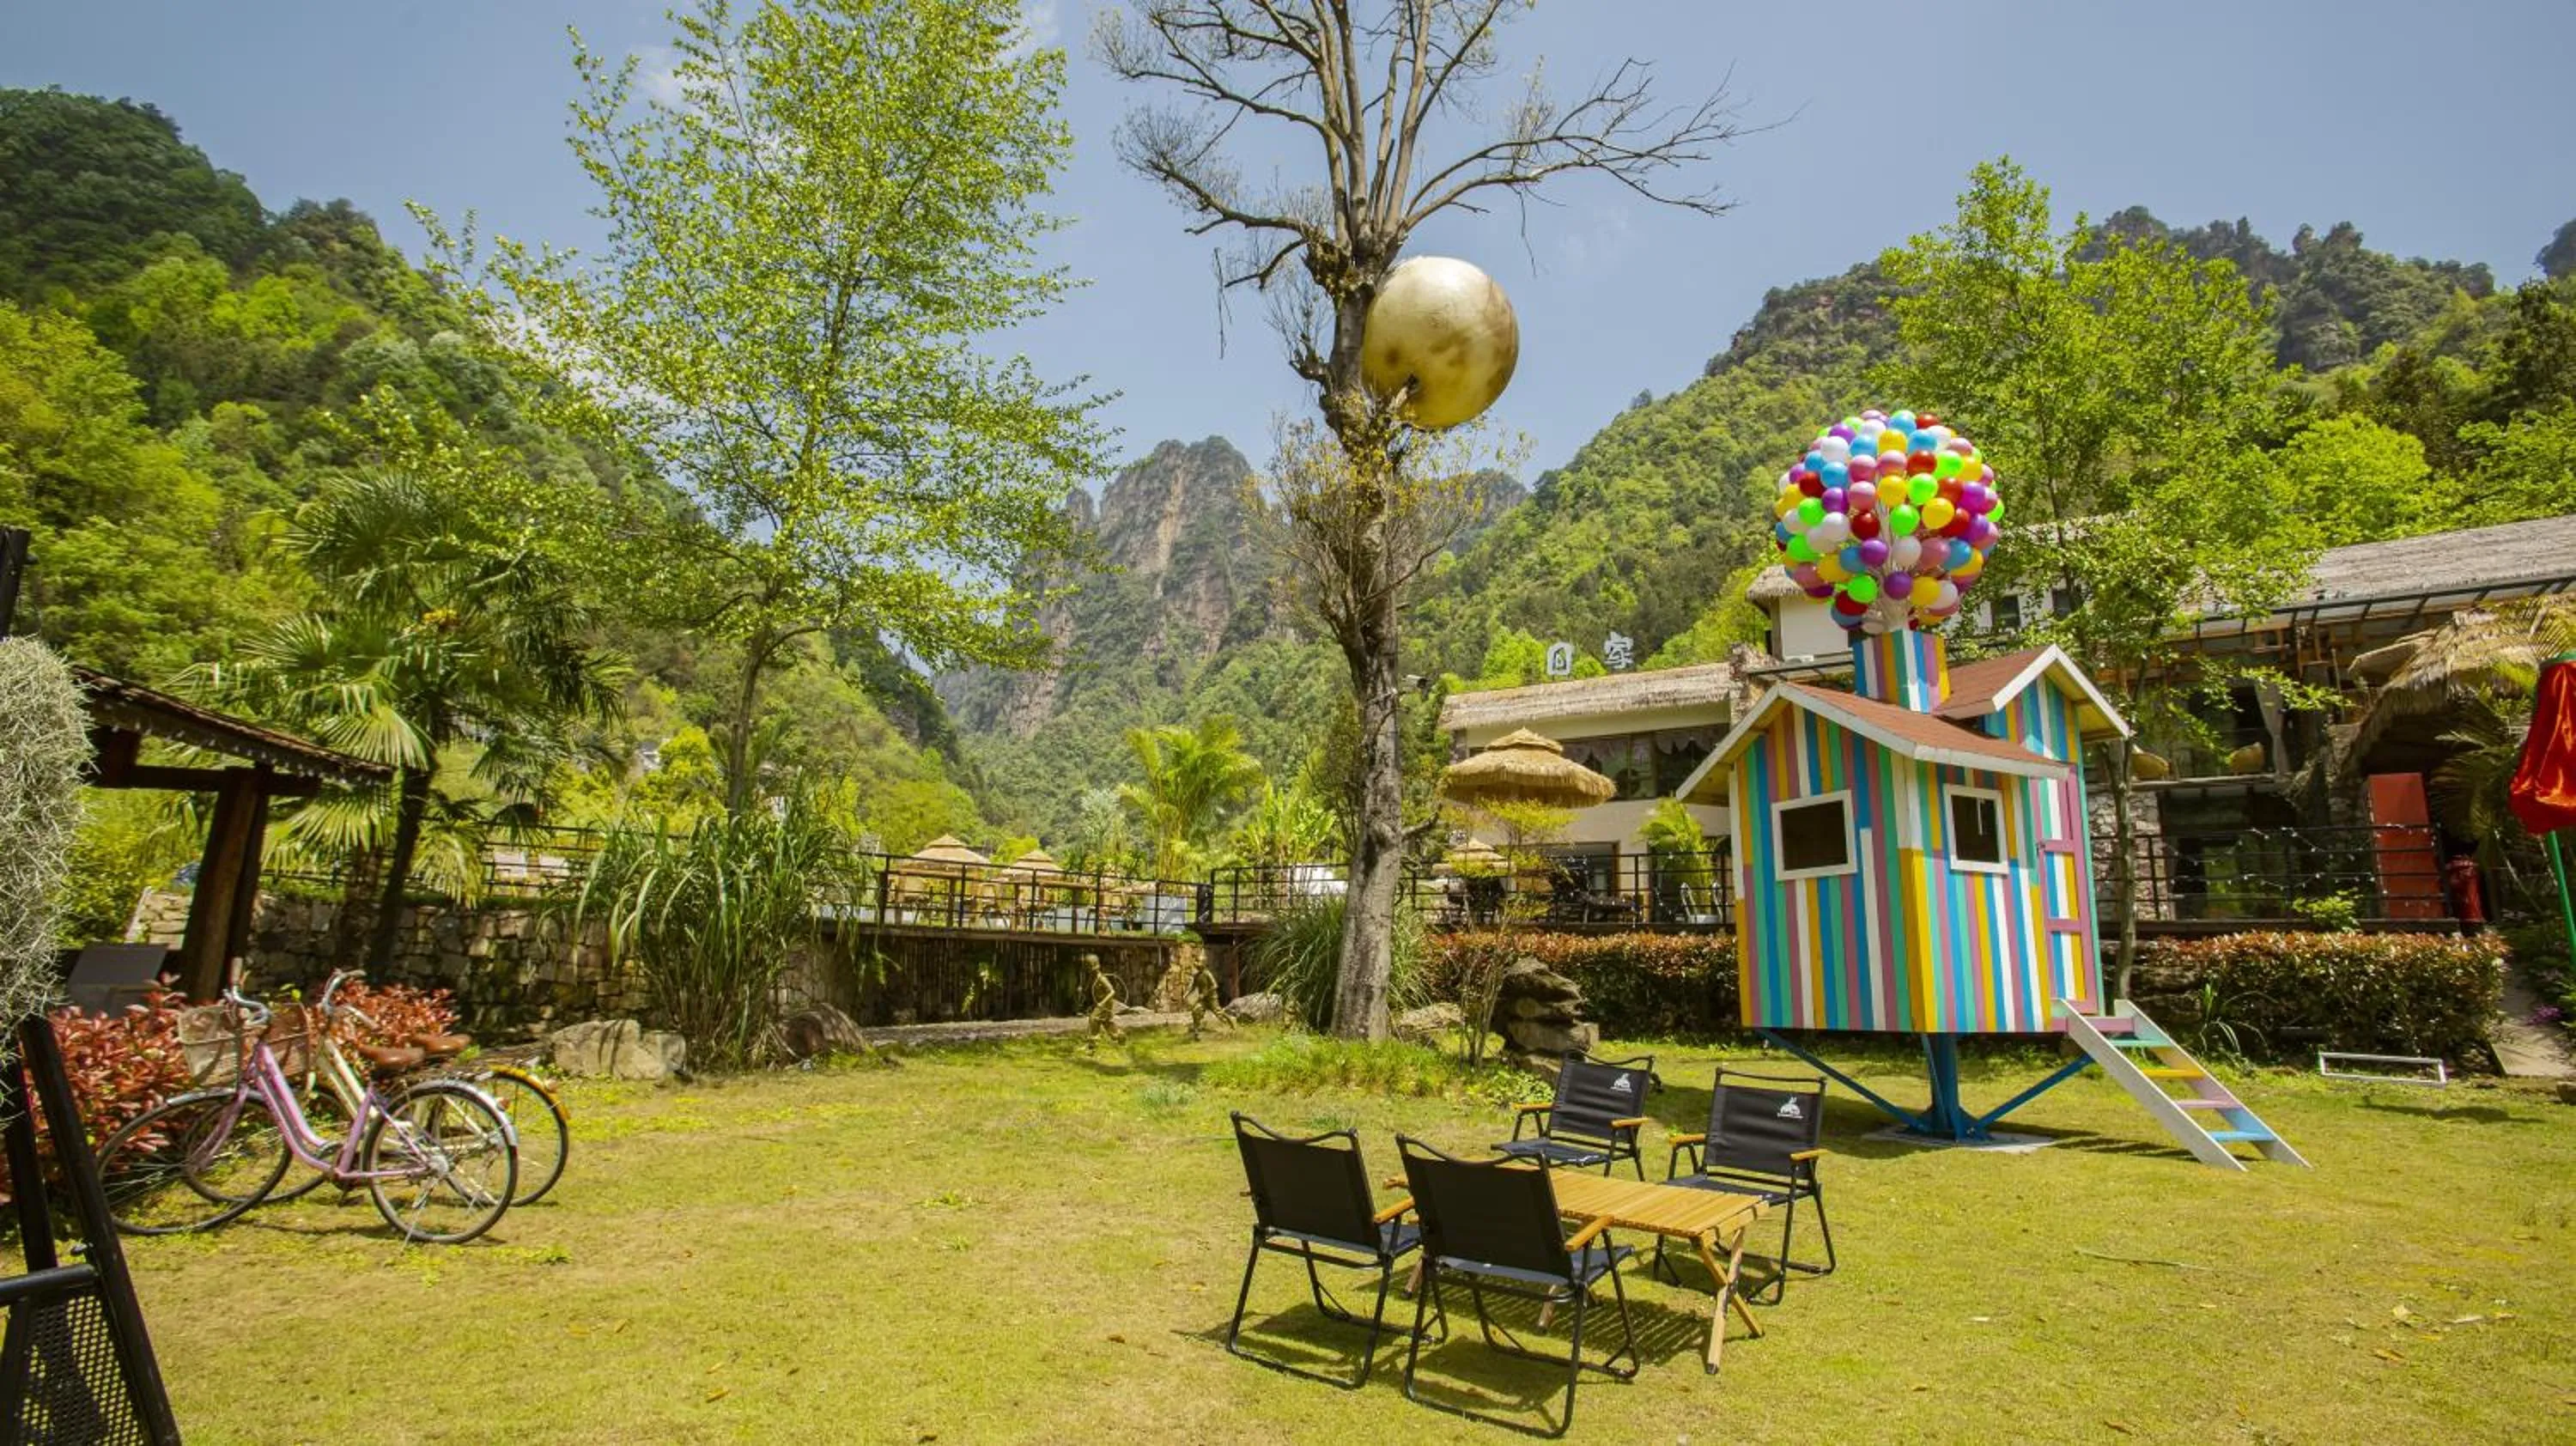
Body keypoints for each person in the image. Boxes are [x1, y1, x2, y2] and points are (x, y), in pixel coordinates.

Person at [1084, 953, 1122, 1054]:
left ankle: (1092, 1044)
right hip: (1099, 1003)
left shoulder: (1102, 978)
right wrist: (1082, 990)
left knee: (1093, 1019)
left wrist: (1102, 1003)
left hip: (1105, 1004)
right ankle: (1119, 1036)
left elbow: (1112, 991)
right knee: (1105, 1022)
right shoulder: (1092, 977)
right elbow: (1089, 988)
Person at [1185, 959, 1231, 1040]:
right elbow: (1193, 987)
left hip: (1211, 998)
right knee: (1196, 1011)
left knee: (1218, 1013)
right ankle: (1196, 1032)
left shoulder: (1207, 974)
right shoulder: (1196, 976)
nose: (1196, 964)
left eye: (1198, 962)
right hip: (1203, 1000)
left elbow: (1215, 986)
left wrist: (1205, 993)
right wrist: (1186, 994)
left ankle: (1230, 1026)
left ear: (1203, 964)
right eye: (1196, 962)